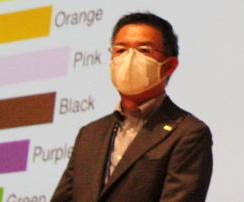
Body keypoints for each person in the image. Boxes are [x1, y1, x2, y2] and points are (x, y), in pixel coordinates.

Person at [51, 12, 213, 202]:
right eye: (121, 50)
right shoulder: (90, 134)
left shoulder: (188, 133)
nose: (129, 59)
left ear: (169, 66)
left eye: (143, 50)